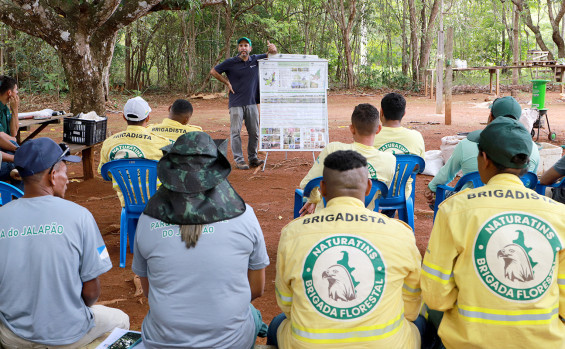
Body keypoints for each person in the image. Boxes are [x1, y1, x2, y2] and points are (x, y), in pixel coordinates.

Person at [421, 117, 565, 348]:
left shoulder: (454, 210)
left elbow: (435, 296)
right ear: (526, 164)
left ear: (484, 159)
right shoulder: (559, 215)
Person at [269, 150, 423, 348]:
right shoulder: (399, 233)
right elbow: (410, 309)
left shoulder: (292, 233)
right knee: (421, 323)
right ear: (369, 187)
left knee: (276, 324)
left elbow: (287, 305)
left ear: (322, 188)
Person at [132, 131, 270, 349]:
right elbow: (257, 289)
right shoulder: (245, 216)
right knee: (252, 313)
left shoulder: (148, 220)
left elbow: (150, 291)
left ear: (170, 174)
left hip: (162, 342)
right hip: (230, 342)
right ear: (216, 173)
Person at [0, 138, 129, 348]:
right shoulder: (80, 216)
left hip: (14, 336)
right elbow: (91, 292)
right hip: (67, 334)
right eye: (65, 172)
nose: (67, 179)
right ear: (52, 176)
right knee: (120, 320)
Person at [425, 96, 540, 207]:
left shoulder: (467, 144)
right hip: (516, 205)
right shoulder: (533, 148)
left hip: (470, 204)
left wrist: (432, 187)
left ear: (485, 159)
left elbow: (446, 174)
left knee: (440, 197)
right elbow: (531, 182)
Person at [299, 103, 396, 215]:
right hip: (363, 220)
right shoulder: (389, 160)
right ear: (378, 129)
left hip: (328, 219)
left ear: (352, 128)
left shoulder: (333, 149)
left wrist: (314, 199)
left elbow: (307, 184)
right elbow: (381, 193)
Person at [210, 37, 277, 170]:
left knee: (255, 132)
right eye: (241, 45)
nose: (243, 48)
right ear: (238, 48)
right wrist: (227, 82)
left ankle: (253, 158)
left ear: (250, 48)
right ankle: (239, 160)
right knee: (235, 132)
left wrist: (273, 49)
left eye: (246, 45)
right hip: (236, 103)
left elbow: (271, 56)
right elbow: (213, 71)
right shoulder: (231, 62)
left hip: (252, 102)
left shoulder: (256, 59)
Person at [98, 96, 170, 205]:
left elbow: (104, 173)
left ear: (124, 117)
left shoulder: (109, 143)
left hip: (127, 202)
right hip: (157, 203)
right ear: (148, 118)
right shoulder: (162, 143)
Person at [373, 92, 425, 200]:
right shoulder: (416, 137)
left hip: (374, 194)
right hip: (401, 194)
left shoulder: (371, 136)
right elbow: (418, 168)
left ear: (381, 112)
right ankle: (390, 213)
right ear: (404, 113)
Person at [0, 76, 20, 184]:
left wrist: (15, 109)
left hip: (4, 152)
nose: (17, 93)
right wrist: (16, 148)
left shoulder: (5, 108)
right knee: (22, 167)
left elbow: (14, 132)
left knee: (20, 165)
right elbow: (1, 137)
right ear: (9, 92)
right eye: (16, 90)